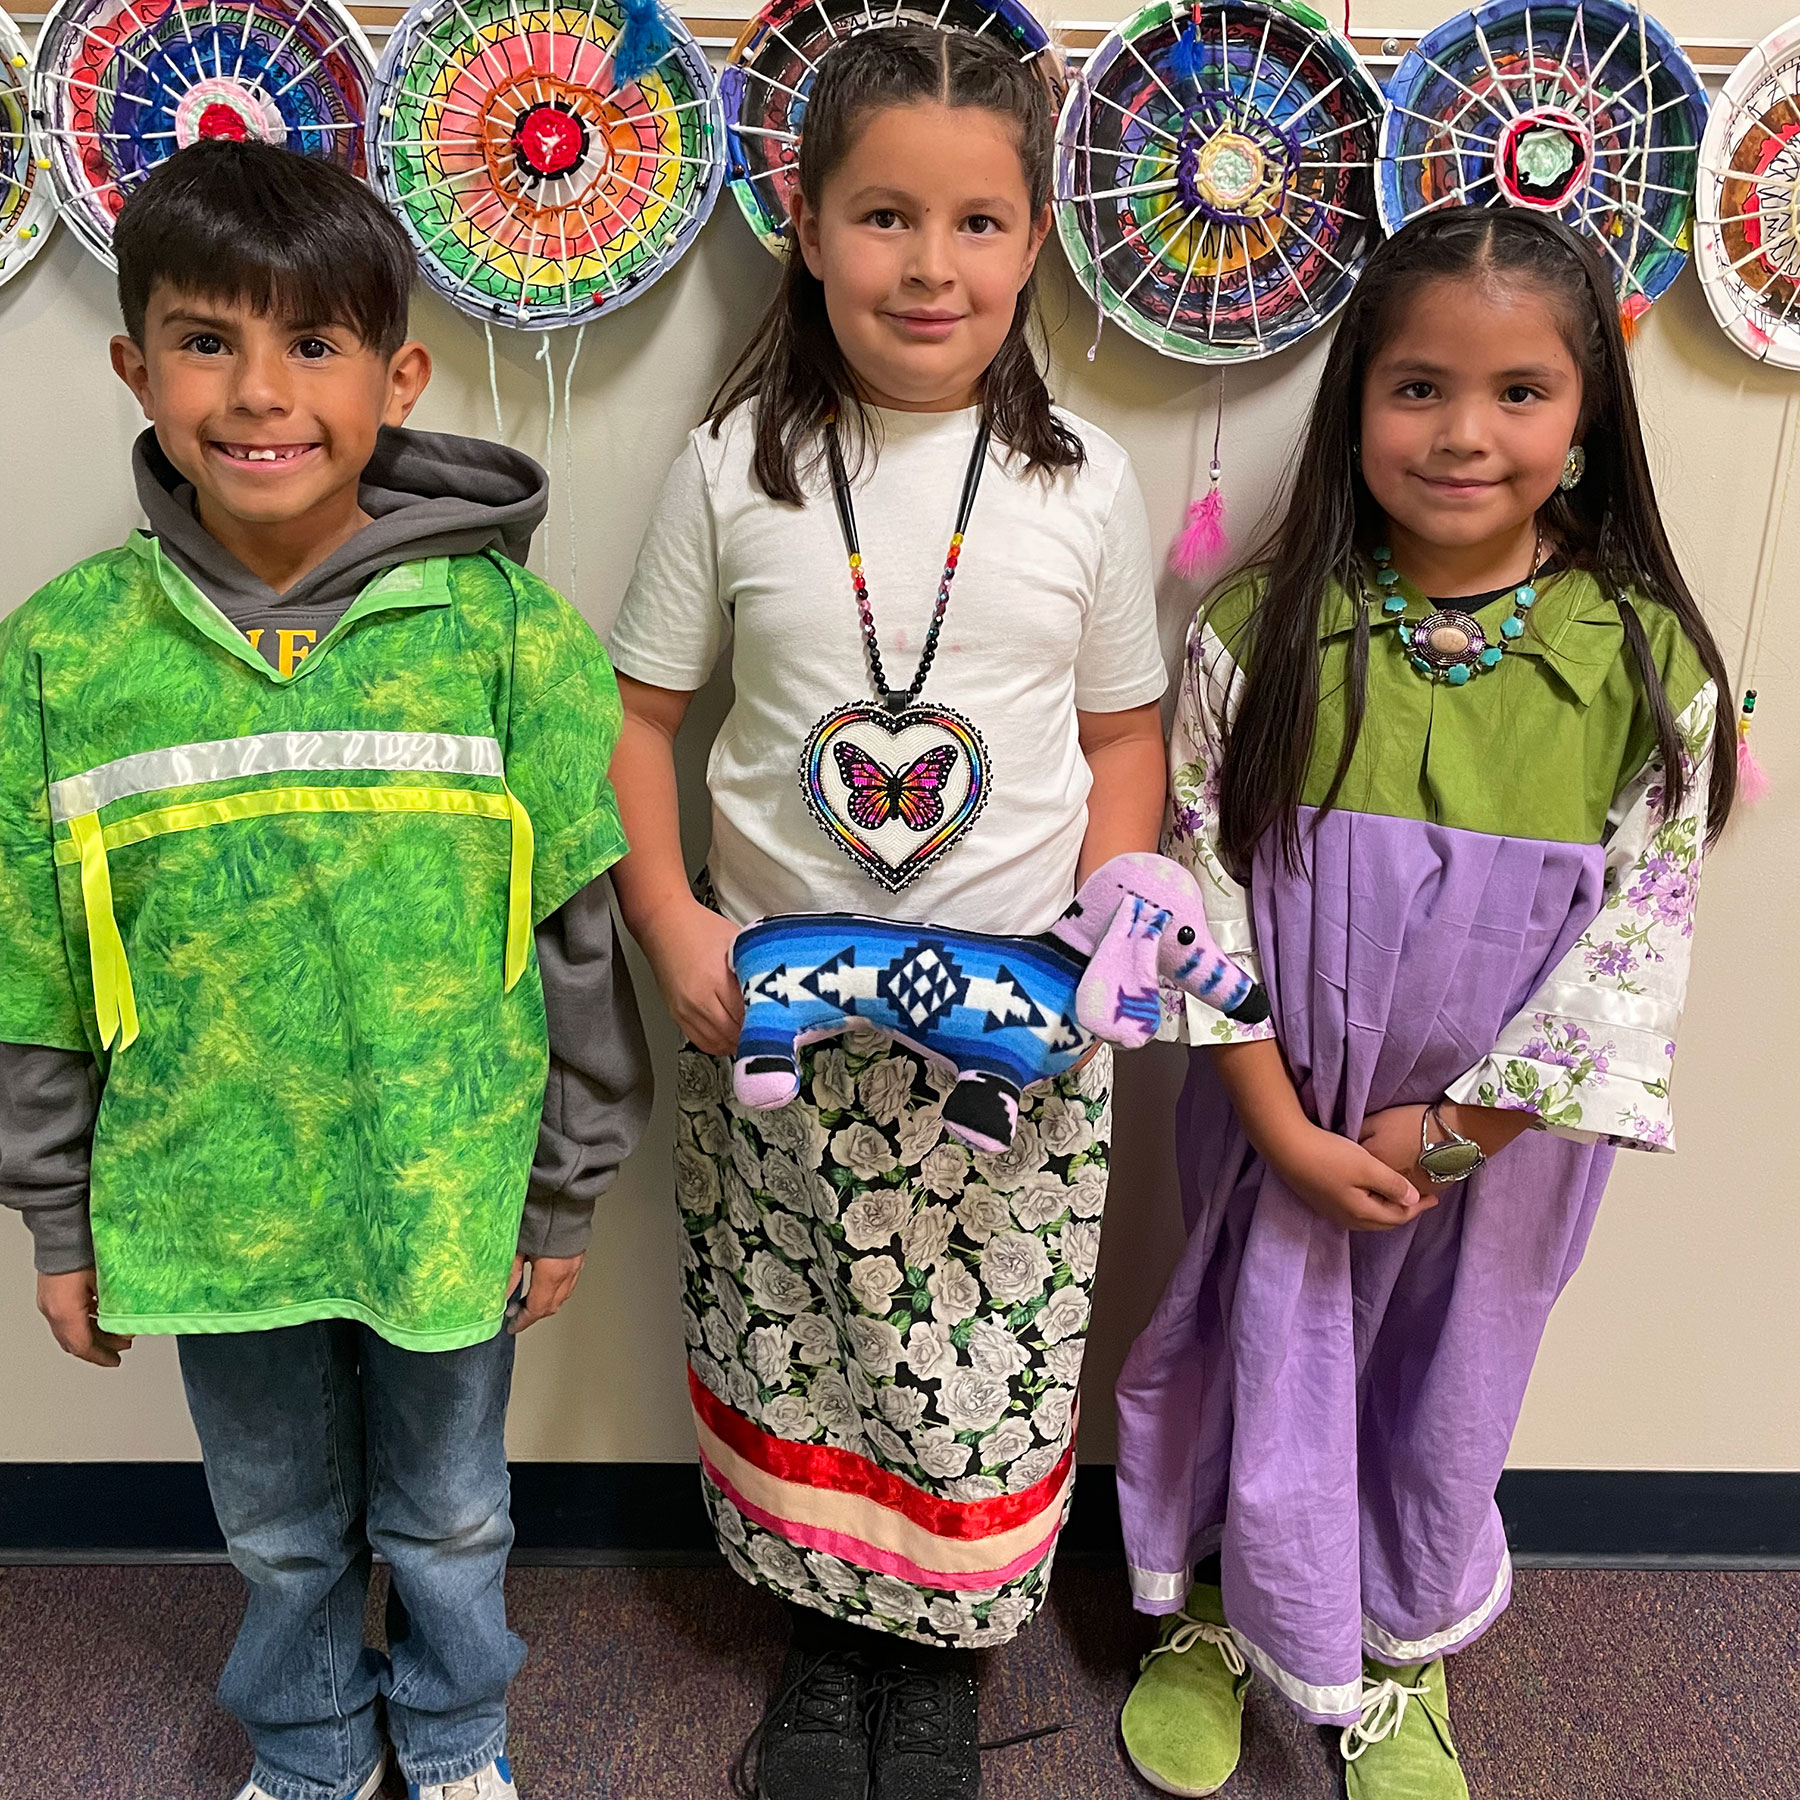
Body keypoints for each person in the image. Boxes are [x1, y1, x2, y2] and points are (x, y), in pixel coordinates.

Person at [0, 142, 652, 1800]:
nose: (257, 392)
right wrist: (57, 1219)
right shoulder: (68, 659)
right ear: (135, 367)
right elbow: (35, 968)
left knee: (449, 1512)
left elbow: (584, 930)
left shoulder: (505, 637)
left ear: (398, 374)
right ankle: (304, 1748)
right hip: (209, 1201)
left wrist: (565, 1185)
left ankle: (452, 1740)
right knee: (282, 1529)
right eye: (208, 341)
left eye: (312, 344)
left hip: (449, 1187)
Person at [606, 25, 1168, 1800]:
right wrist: (675, 928)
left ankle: (941, 1665)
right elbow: (640, 722)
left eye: (980, 222)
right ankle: (823, 1648)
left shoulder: (1083, 479)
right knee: (803, 1333)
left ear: (1035, 235)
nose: (932, 266)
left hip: (1010, 1040)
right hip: (777, 1025)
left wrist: (1104, 947)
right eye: (885, 217)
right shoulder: (731, 470)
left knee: (979, 1354)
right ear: (808, 224)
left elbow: (1124, 733)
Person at [1113, 206, 1738, 1799]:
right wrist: (1281, 1123)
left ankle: (1394, 1649)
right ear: (1355, 403)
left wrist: (1457, 1130)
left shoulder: (1647, 662)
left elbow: (1634, 952)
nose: (1466, 434)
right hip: (1283, 1110)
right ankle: (1213, 1620)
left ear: (1588, 414)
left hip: (1503, 1145)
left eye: (1520, 392)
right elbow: (1200, 894)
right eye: (1418, 389)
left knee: (1444, 1389)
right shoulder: (1261, 633)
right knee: (1250, 1346)